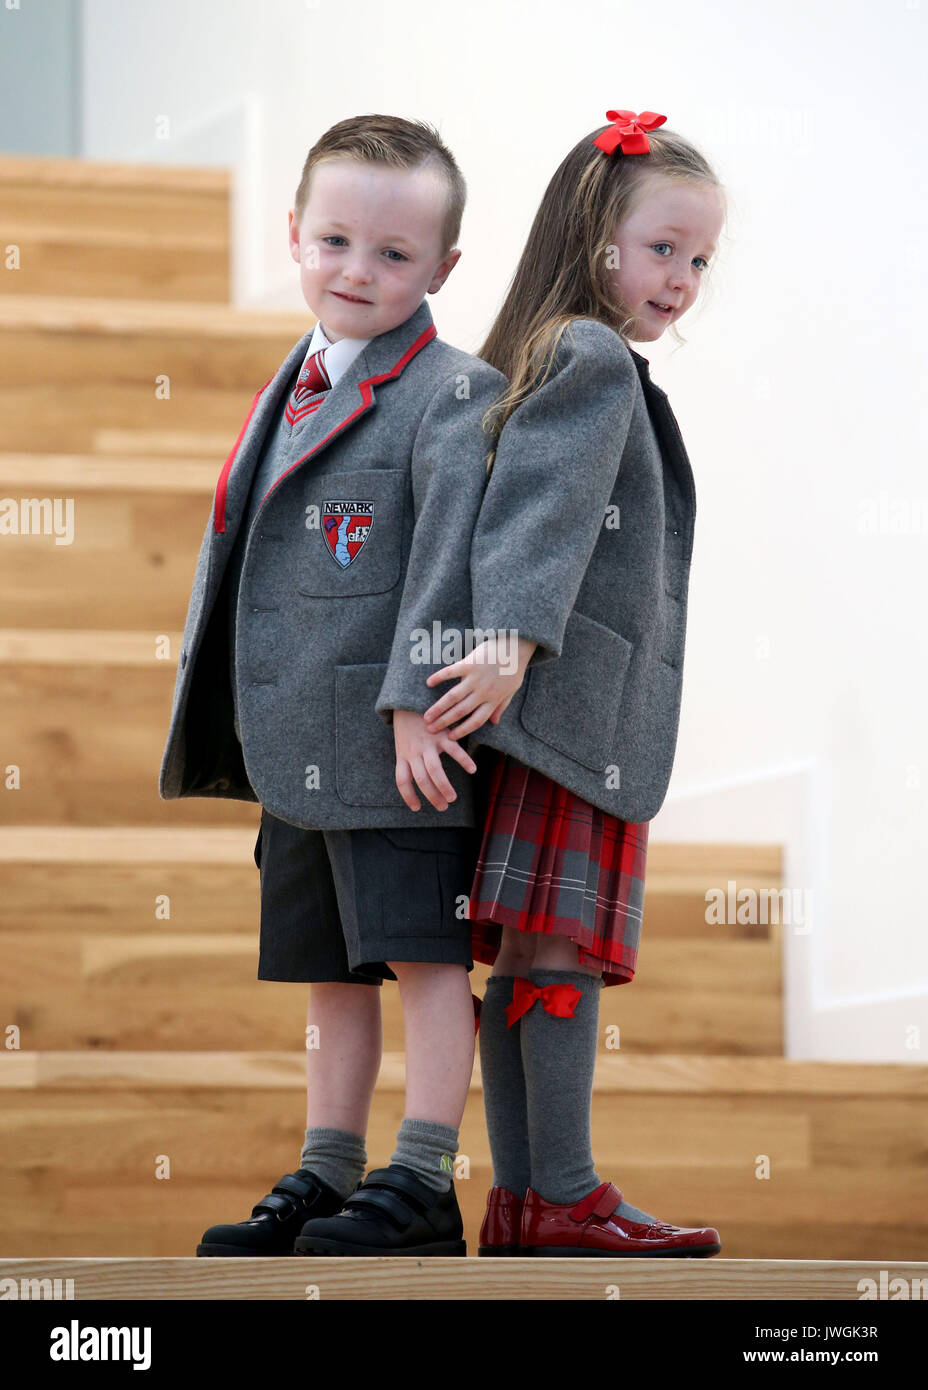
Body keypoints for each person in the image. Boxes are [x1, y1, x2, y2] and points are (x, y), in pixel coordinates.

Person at [159, 113, 508, 1257]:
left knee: (422, 954)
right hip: (299, 732)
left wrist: (417, 689)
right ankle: (328, 1167)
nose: (358, 270)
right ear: (294, 235)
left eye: (394, 255)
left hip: (397, 739)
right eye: (336, 241)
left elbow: (453, 546)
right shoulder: (294, 375)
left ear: (442, 269)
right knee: (328, 972)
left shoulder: (452, 390)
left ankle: (418, 1178)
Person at [420, 109, 728, 1256]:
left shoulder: (555, 350)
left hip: (549, 715)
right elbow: (539, 516)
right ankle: (561, 1192)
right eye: (663, 249)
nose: (684, 278)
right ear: (597, 235)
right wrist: (509, 638)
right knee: (557, 952)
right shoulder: (592, 358)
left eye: (700, 259)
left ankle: (526, 1195)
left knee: (531, 955)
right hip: (565, 715)